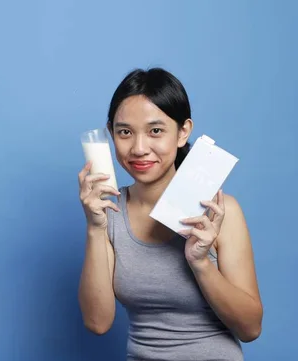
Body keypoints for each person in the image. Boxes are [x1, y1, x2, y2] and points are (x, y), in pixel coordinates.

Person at [77, 67, 263, 361]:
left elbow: (250, 328)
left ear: (183, 132)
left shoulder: (220, 212)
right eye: (125, 132)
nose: (139, 149)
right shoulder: (109, 210)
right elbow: (98, 323)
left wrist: (200, 263)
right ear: (110, 133)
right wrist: (94, 227)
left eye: (156, 131)